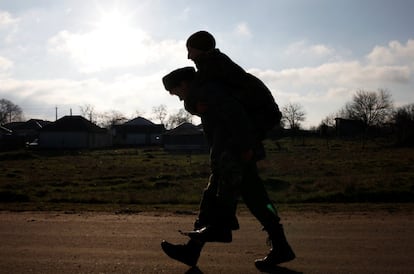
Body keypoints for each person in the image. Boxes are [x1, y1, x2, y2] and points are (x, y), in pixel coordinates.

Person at [161, 65, 295, 271]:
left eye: (175, 92)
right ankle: (280, 246)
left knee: (216, 196)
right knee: (256, 198)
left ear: (184, 84)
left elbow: (235, 117)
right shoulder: (207, 92)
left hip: (235, 153)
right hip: (235, 152)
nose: (178, 98)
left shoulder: (207, 91)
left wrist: (244, 147)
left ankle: (199, 245)